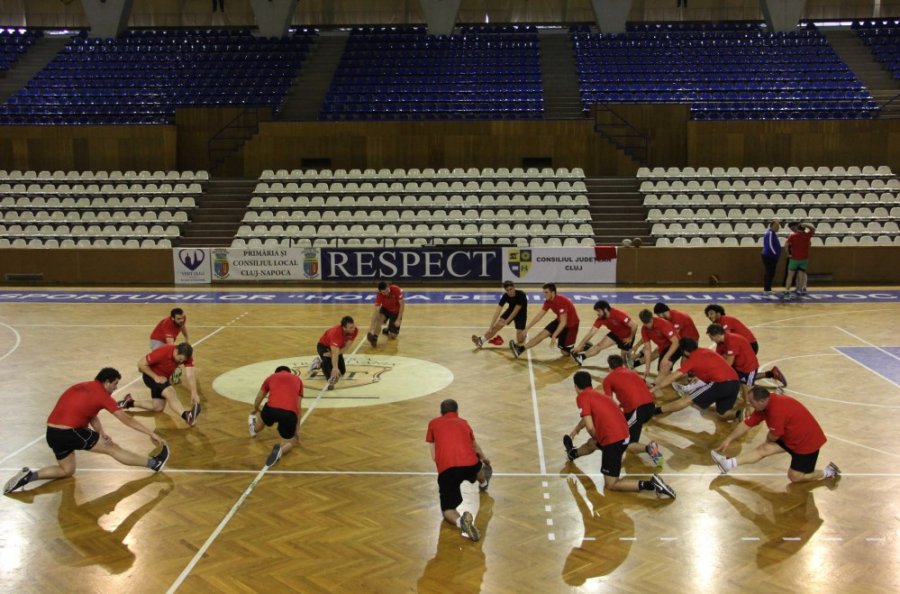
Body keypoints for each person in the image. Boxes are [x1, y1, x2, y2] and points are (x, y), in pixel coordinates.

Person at [4, 368, 169, 494]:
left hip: (52, 433)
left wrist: (101, 433)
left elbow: (91, 414)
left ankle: (29, 476)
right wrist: (150, 433)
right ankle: (155, 463)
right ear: (107, 382)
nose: (115, 388)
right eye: (115, 384)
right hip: (70, 432)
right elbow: (126, 419)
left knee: (67, 470)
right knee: (113, 449)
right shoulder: (102, 395)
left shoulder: (81, 386)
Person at [562, 372, 675, 498]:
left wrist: (596, 436)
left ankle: (651, 485)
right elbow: (588, 416)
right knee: (592, 444)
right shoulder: (599, 396)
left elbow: (590, 426)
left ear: (576, 387)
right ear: (590, 383)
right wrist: (577, 429)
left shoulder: (582, 397)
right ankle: (573, 454)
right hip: (624, 434)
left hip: (612, 440)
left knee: (611, 484)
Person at [711, 386, 840, 483]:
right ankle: (727, 464)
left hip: (806, 443)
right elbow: (747, 423)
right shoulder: (765, 404)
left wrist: (768, 440)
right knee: (765, 449)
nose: (750, 405)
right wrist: (729, 439)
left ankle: (828, 472)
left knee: (795, 477)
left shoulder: (776, 411)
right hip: (790, 435)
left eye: (751, 402)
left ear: (761, 401)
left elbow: (774, 435)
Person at [425, 399, 492, 542]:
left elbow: (434, 455)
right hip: (469, 464)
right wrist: (485, 459)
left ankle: (461, 522)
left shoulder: (433, 423)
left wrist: (443, 465)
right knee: (477, 467)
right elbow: (475, 447)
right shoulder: (464, 423)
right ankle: (484, 483)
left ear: (441, 412)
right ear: (457, 412)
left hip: (447, 470)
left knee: (448, 510)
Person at [652, 338, 742, 421]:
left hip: (721, 384)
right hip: (735, 383)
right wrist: (699, 377)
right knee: (722, 413)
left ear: (685, 351)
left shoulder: (692, 360)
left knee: (686, 400)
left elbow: (674, 376)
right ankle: (738, 414)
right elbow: (712, 367)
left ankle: (655, 411)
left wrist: (656, 387)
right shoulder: (706, 351)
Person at [602, 355, 664, 466]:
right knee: (627, 430)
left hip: (637, 410)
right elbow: (641, 388)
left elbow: (609, 402)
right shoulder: (632, 372)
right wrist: (623, 404)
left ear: (609, 368)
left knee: (626, 443)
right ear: (622, 365)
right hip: (651, 406)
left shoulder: (608, 379)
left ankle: (649, 448)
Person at [119, 342, 201, 427]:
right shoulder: (163, 351)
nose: (181, 362)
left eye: (183, 360)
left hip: (163, 378)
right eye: (180, 359)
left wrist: (194, 392)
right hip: (150, 376)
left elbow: (190, 375)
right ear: (176, 351)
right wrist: (155, 377)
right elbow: (141, 364)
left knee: (158, 407)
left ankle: (129, 402)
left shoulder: (186, 355)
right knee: (170, 392)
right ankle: (187, 416)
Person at [706, 323, 787, 400]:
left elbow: (729, 363)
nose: (711, 339)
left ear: (717, 336)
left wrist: (713, 375)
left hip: (748, 367)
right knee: (740, 382)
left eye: (711, 337)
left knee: (748, 396)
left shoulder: (732, 341)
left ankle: (777, 394)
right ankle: (771, 374)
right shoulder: (720, 343)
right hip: (738, 366)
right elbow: (718, 358)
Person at [249, 365, 304, 467]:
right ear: (289, 372)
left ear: (277, 372)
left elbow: (259, 396)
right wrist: (297, 430)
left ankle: (253, 429)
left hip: (271, 409)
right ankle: (280, 451)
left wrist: (256, 408)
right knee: (289, 442)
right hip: (289, 413)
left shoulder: (271, 377)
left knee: (259, 425)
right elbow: (298, 407)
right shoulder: (298, 380)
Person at [509, 283, 579, 358]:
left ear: (553, 292)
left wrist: (554, 335)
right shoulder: (548, 301)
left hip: (571, 326)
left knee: (565, 353)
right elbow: (539, 316)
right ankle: (520, 349)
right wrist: (527, 328)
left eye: (546, 292)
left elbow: (563, 322)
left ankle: (581, 349)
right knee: (542, 334)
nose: (544, 295)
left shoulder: (561, 301)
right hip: (560, 321)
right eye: (544, 292)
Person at [570, 300, 638, 367]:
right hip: (615, 333)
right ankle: (581, 357)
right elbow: (591, 332)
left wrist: (630, 338)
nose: (597, 313)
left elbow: (634, 325)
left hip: (626, 337)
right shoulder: (601, 318)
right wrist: (580, 346)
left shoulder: (618, 314)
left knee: (624, 359)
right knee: (599, 346)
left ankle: (632, 360)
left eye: (598, 311)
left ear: (605, 310)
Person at [472, 280, 528, 348]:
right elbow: (498, 311)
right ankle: (481, 340)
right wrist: (491, 326)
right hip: (510, 310)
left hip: (521, 314)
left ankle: (523, 334)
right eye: (507, 290)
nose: (509, 292)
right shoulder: (505, 296)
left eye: (511, 289)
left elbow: (515, 312)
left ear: (514, 287)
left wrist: (505, 322)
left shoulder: (521, 295)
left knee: (520, 340)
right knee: (498, 325)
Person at [630, 309, 681, 380]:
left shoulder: (663, 324)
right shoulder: (644, 329)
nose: (648, 325)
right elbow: (648, 349)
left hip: (677, 346)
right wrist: (647, 369)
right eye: (645, 323)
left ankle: (677, 375)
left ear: (652, 318)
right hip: (663, 347)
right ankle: (635, 362)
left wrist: (666, 357)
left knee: (663, 369)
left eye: (649, 322)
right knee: (660, 370)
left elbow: (676, 342)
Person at [310, 316, 358, 390]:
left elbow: (346, 347)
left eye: (353, 326)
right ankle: (330, 380)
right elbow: (335, 353)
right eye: (351, 328)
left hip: (338, 348)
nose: (353, 329)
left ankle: (318, 363)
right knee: (329, 367)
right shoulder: (335, 333)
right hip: (324, 346)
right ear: (344, 328)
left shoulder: (354, 330)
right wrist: (335, 368)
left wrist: (333, 355)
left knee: (342, 371)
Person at [782, 222, 816, 299]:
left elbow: (786, 245)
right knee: (801, 276)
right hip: (804, 259)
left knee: (790, 276)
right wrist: (806, 225)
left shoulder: (793, 236)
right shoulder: (807, 235)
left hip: (794, 259)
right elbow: (813, 229)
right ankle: (799, 290)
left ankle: (787, 291)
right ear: (804, 229)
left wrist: (788, 254)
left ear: (797, 228)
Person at [367, 281, 404, 347]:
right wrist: (371, 327)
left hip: (395, 311)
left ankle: (388, 329)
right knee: (379, 320)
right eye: (383, 292)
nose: (386, 293)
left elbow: (402, 304)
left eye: (387, 291)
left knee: (393, 336)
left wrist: (398, 319)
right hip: (385, 309)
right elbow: (376, 311)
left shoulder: (396, 289)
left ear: (388, 287)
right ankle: (375, 338)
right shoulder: (379, 295)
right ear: (380, 291)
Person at [761, 220, 782, 294]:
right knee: (769, 273)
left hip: (771, 256)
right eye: (776, 226)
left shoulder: (773, 234)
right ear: (772, 226)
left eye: (778, 226)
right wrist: (775, 254)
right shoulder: (770, 233)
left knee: (770, 273)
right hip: (769, 256)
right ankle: (767, 290)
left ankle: (768, 289)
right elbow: (769, 245)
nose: (778, 227)